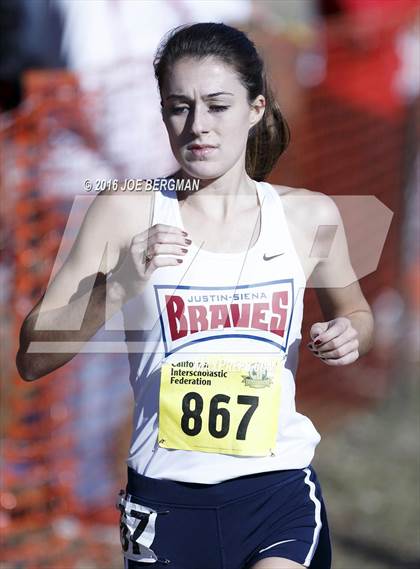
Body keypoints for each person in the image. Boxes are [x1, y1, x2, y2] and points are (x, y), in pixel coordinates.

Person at [17, 22, 374, 569]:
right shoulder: (124, 211)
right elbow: (33, 357)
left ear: (255, 108)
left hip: (275, 492)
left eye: (217, 105)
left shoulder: (308, 216)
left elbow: (355, 312)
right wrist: (119, 286)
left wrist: (350, 332)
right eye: (179, 107)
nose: (197, 126)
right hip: (163, 502)